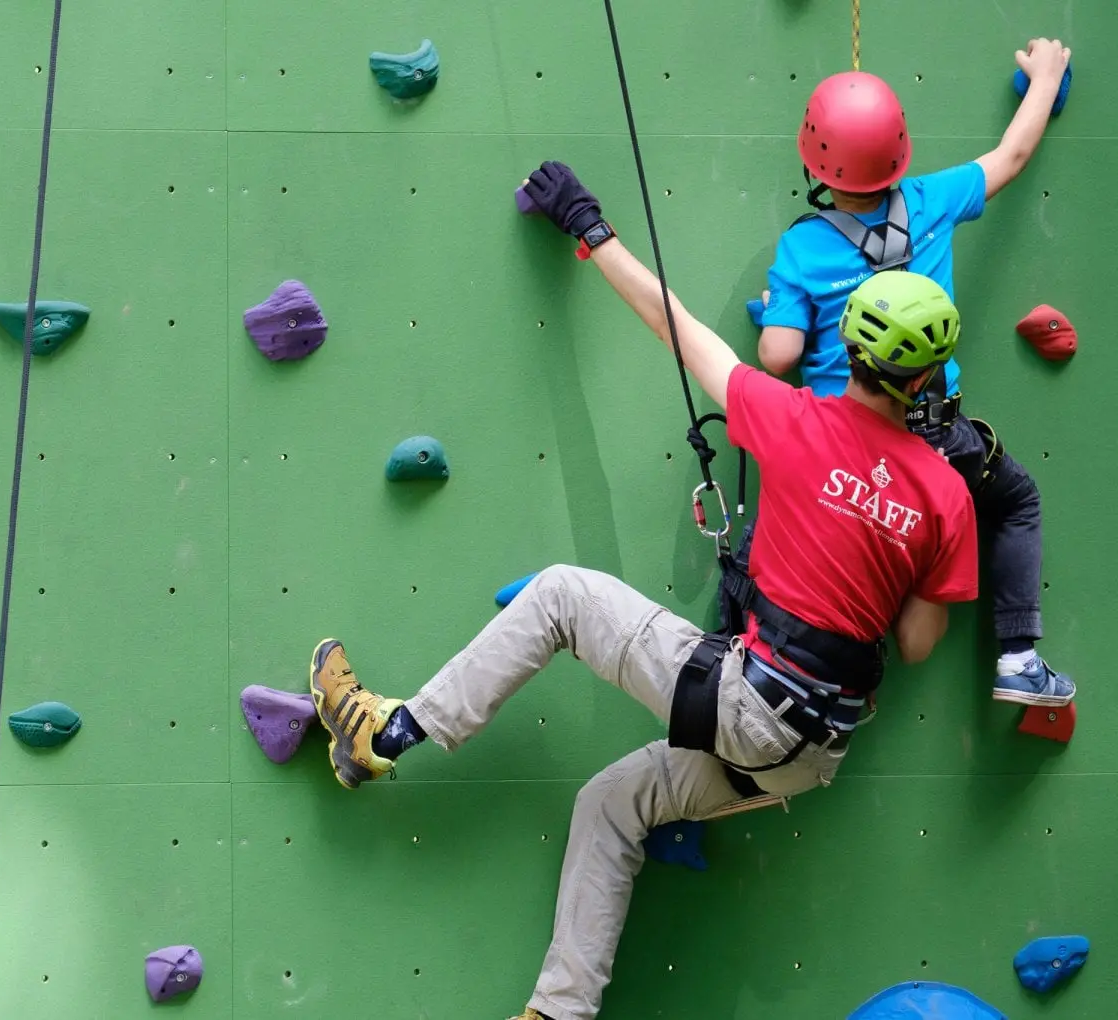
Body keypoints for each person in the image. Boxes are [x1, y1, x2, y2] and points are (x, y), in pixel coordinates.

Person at [308, 162, 979, 1020]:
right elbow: (919, 644)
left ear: (847, 346)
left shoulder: (794, 419)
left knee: (558, 595)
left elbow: (682, 330)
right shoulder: (947, 495)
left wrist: (592, 230)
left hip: (750, 701)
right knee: (612, 807)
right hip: (813, 754)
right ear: (928, 378)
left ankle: (383, 734)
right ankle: (559, 1012)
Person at [750, 40, 1073, 708]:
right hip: (934, 439)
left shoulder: (804, 247)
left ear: (813, 157)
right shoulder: (931, 202)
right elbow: (1012, 156)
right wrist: (1045, 78)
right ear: (901, 149)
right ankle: (1018, 656)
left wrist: (779, 313)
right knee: (1015, 500)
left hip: (840, 450)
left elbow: (779, 357)